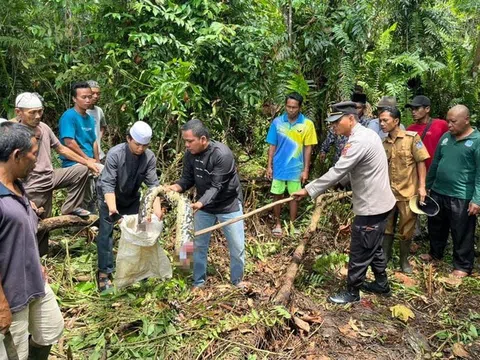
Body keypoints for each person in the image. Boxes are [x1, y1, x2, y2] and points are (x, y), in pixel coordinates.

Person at [293, 101, 396, 304]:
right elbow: (355, 170)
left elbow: (338, 170)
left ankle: (352, 292)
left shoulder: (358, 141)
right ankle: (381, 285)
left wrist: (308, 190)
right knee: (373, 246)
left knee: (360, 247)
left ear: (350, 119)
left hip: (372, 206)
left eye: (336, 122)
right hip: (379, 203)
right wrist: (340, 184)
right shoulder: (365, 135)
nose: (334, 127)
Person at [0, 122, 63, 360]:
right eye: (34, 155)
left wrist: (35, 262)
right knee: (16, 354)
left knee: (50, 330)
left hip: (34, 281)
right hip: (11, 295)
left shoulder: (17, 185)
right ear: (16, 155)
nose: (37, 161)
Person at [13, 92, 99, 256]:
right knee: (39, 224)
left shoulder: (44, 128)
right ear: (19, 112)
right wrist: (21, 194)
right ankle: (36, 260)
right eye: (32, 112)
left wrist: (87, 162)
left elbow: (61, 149)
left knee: (81, 170)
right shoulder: (14, 134)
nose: (38, 116)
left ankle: (71, 208)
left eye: (40, 111)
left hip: (50, 176)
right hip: (32, 184)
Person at [168, 119, 246, 289]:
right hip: (204, 206)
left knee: (237, 246)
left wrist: (199, 203)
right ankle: (198, 282)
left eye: (190, 141)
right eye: (185, 141)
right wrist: (174, 188)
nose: (186, 145)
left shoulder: (222, 155)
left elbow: (217, 187)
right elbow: (187, 180)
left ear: (203, 139)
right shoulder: (190, 154)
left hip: (228, 205)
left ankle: (237, 281)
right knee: (197, 245)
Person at [96, 121, 162, 291]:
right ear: (128, 139)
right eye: (137, 144)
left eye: (145, 145)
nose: (141, 149)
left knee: (141, 229)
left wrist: (157, 210)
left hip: (132, 197)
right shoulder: (115, 154)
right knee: (106, 233)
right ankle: (104, 272)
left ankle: (138, 269)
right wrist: (113, 210)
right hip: (109, 197)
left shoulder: (149, 157)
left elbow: (153, 186)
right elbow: (108, 183)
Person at [422, 105, 479, 278]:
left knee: (461, 231)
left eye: (453, 121)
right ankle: (435, 253)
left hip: (461, 195)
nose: (449, 125)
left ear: (466, 119)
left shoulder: (477, 140)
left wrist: (477, 199)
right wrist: (427, 185)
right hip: (439, 191)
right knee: (436, 225)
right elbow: (436, 163)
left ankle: (462, 265)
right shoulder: (446, 138)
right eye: (448, 121)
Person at [379, 107, 429, 273]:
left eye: (385, 120)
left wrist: (422, 187)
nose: (382, 123)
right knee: (387, 226)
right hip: (388, 193)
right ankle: (384, 258)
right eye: (380, 120)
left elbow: (421, 162)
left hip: (408, 192)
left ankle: (403, 261)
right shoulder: (383, 143)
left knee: (406, 228)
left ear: (396, 121)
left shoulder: (411, 139)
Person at [266, 92, 317, 236]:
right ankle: (277, 224)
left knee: (295, 197)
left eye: (294, 107)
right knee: (277, 195)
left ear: (300, 107)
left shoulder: (307, 124)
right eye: (288, 107)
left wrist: (306, 169)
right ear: (285, 106)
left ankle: (292, 225)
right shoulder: (277, 122)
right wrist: (269, 166)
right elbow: (272, 145)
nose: (291, 110)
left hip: (296, 168)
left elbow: (308, 148)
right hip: (279, 167)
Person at [405, 95, 448, 170]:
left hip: (437, 170)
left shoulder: (441, 125)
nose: (413, 112)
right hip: (417, 172)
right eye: (412, 109)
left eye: (417, 108)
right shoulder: (409, 129)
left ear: (427, 109)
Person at [86, 80, 107, 161]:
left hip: (99, 154)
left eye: (98, 94)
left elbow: (103, 126)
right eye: (93, 93)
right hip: (86, 156)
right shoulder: (79, 112)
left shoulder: (99, 111)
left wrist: (98, 138)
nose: (95, 96)